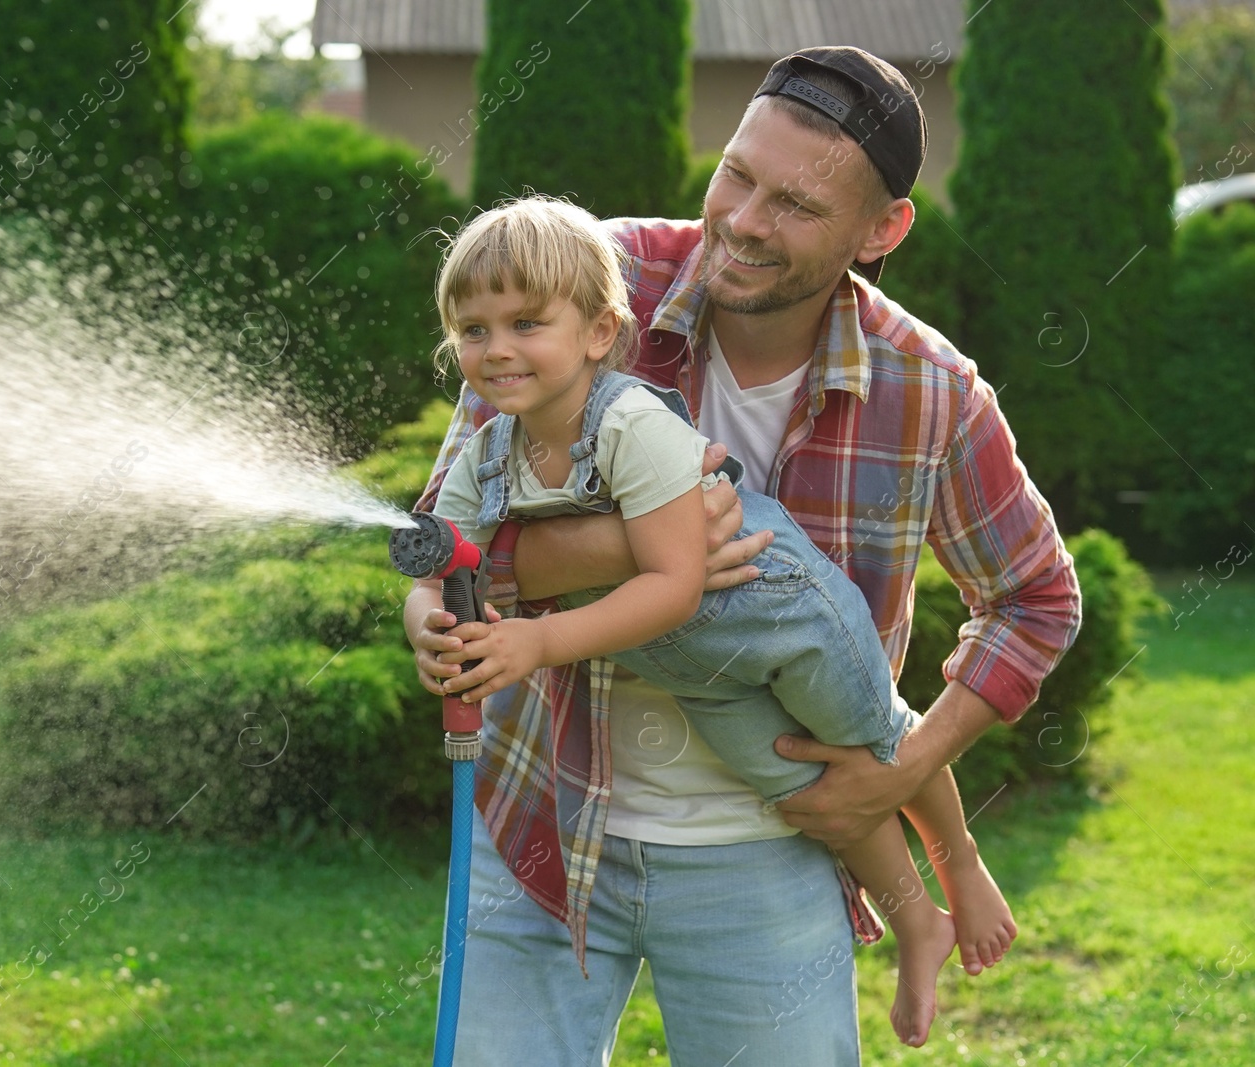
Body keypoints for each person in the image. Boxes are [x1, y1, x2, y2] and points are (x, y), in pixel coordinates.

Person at [404, 47, 1081, 1066]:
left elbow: (1035, 597)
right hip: (540, 821)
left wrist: (898, 772)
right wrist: (628, 545)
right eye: (736, 174)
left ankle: (946, 874)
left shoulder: (928, 390)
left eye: (797, 206)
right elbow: (450, 532)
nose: (745, 221)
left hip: (765, 858)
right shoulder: (583, 281)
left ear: (880, 228)